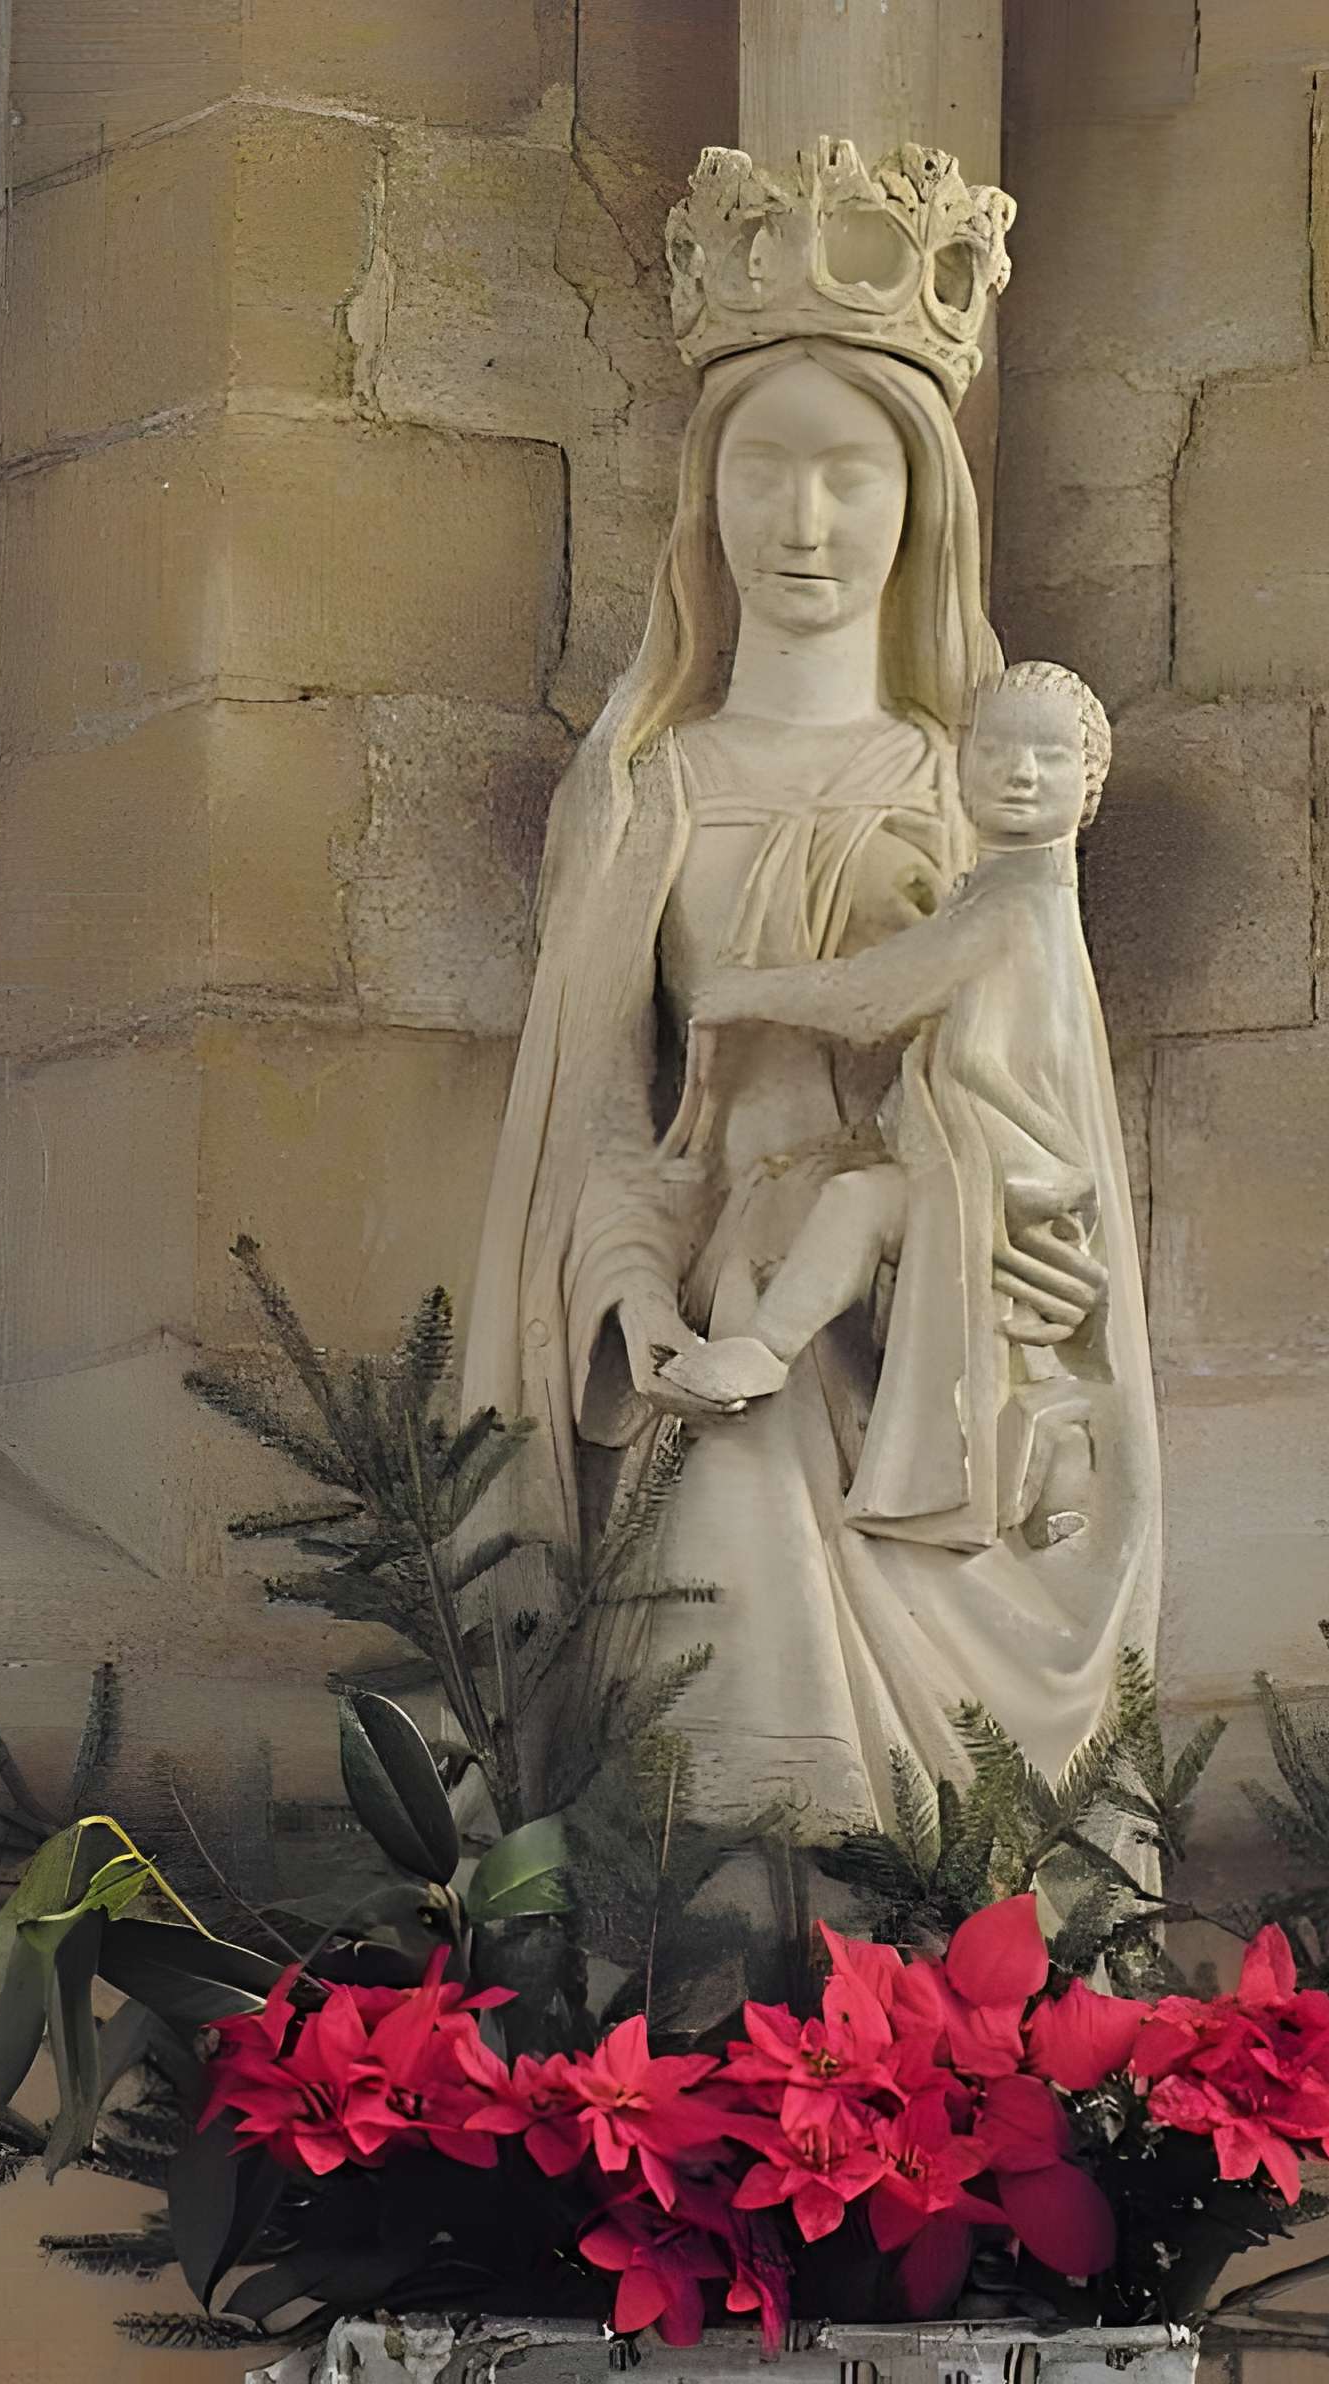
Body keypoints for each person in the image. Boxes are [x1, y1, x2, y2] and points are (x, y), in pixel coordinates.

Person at [461, 143, 1160, 1835]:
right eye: (763, 471)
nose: (804, 522)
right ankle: (739, 2051)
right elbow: (601, 1129)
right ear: (704, 501)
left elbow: (1035, 1090)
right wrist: (632, 1301)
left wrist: (1020, 1248)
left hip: (934, 1321)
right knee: (719, 1515)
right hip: (717, 1308)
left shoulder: (967, 792)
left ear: (921, 502)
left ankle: (892, 2040)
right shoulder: (651, 790)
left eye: (850, 475)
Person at [658, 662, 1115, 1555]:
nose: (1021, 773)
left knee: (856, 1205)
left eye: (1051, 757)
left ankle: (764, 1351)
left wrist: (746, 988)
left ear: (1088, 785)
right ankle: (1050, 1450)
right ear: (960, 762)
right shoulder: (994, 893)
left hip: (1002, 1180)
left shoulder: (1015, 907)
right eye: (998, 750)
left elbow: (870, 997)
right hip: (967, 1163)